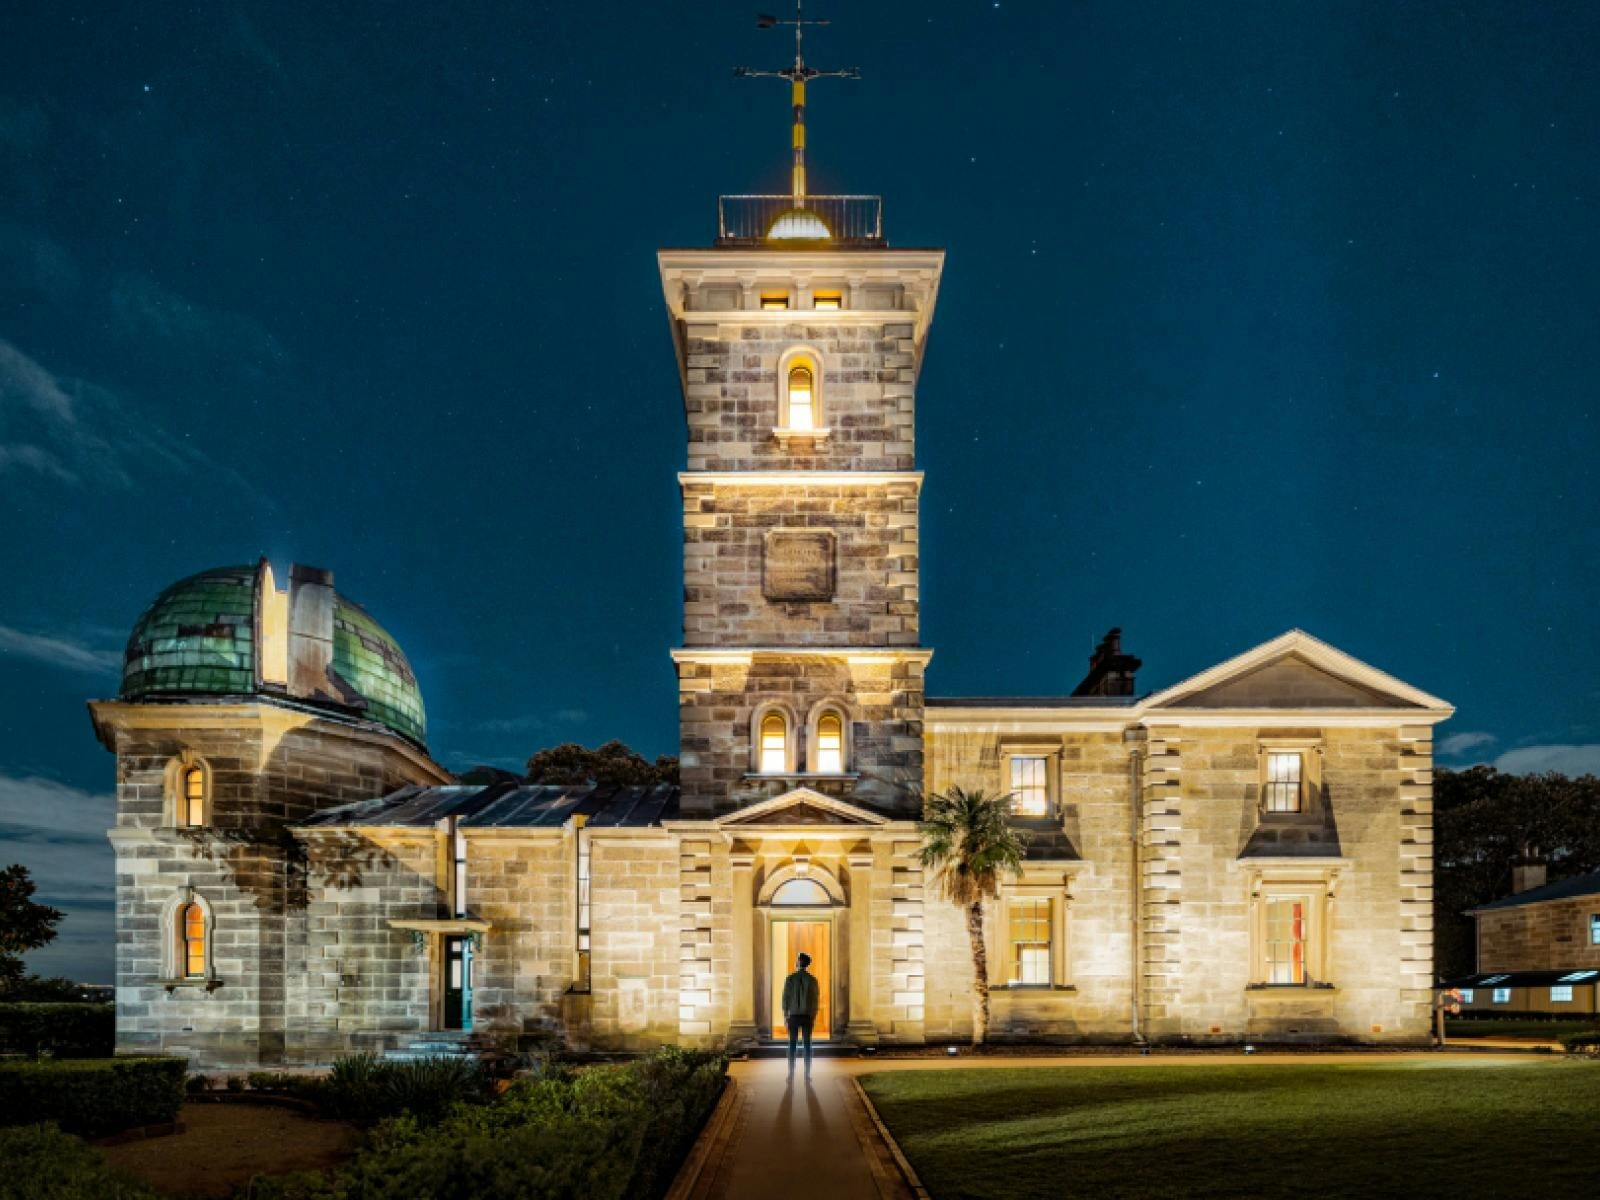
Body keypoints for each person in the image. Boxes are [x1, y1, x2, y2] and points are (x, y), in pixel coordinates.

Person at [781, 951, 821, 1078]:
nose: (796, 961)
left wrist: (785, 1016)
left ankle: (791, 1073)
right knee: (807, 1044)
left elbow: (785, 999)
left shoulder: (790, 979)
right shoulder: (813, 980)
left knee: (792, 1044)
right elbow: (815, 1000)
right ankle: (807, 1074)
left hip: (793, 1016)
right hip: (807, 1017)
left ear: (799, 962)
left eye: (797, 959)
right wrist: (813, 1016)